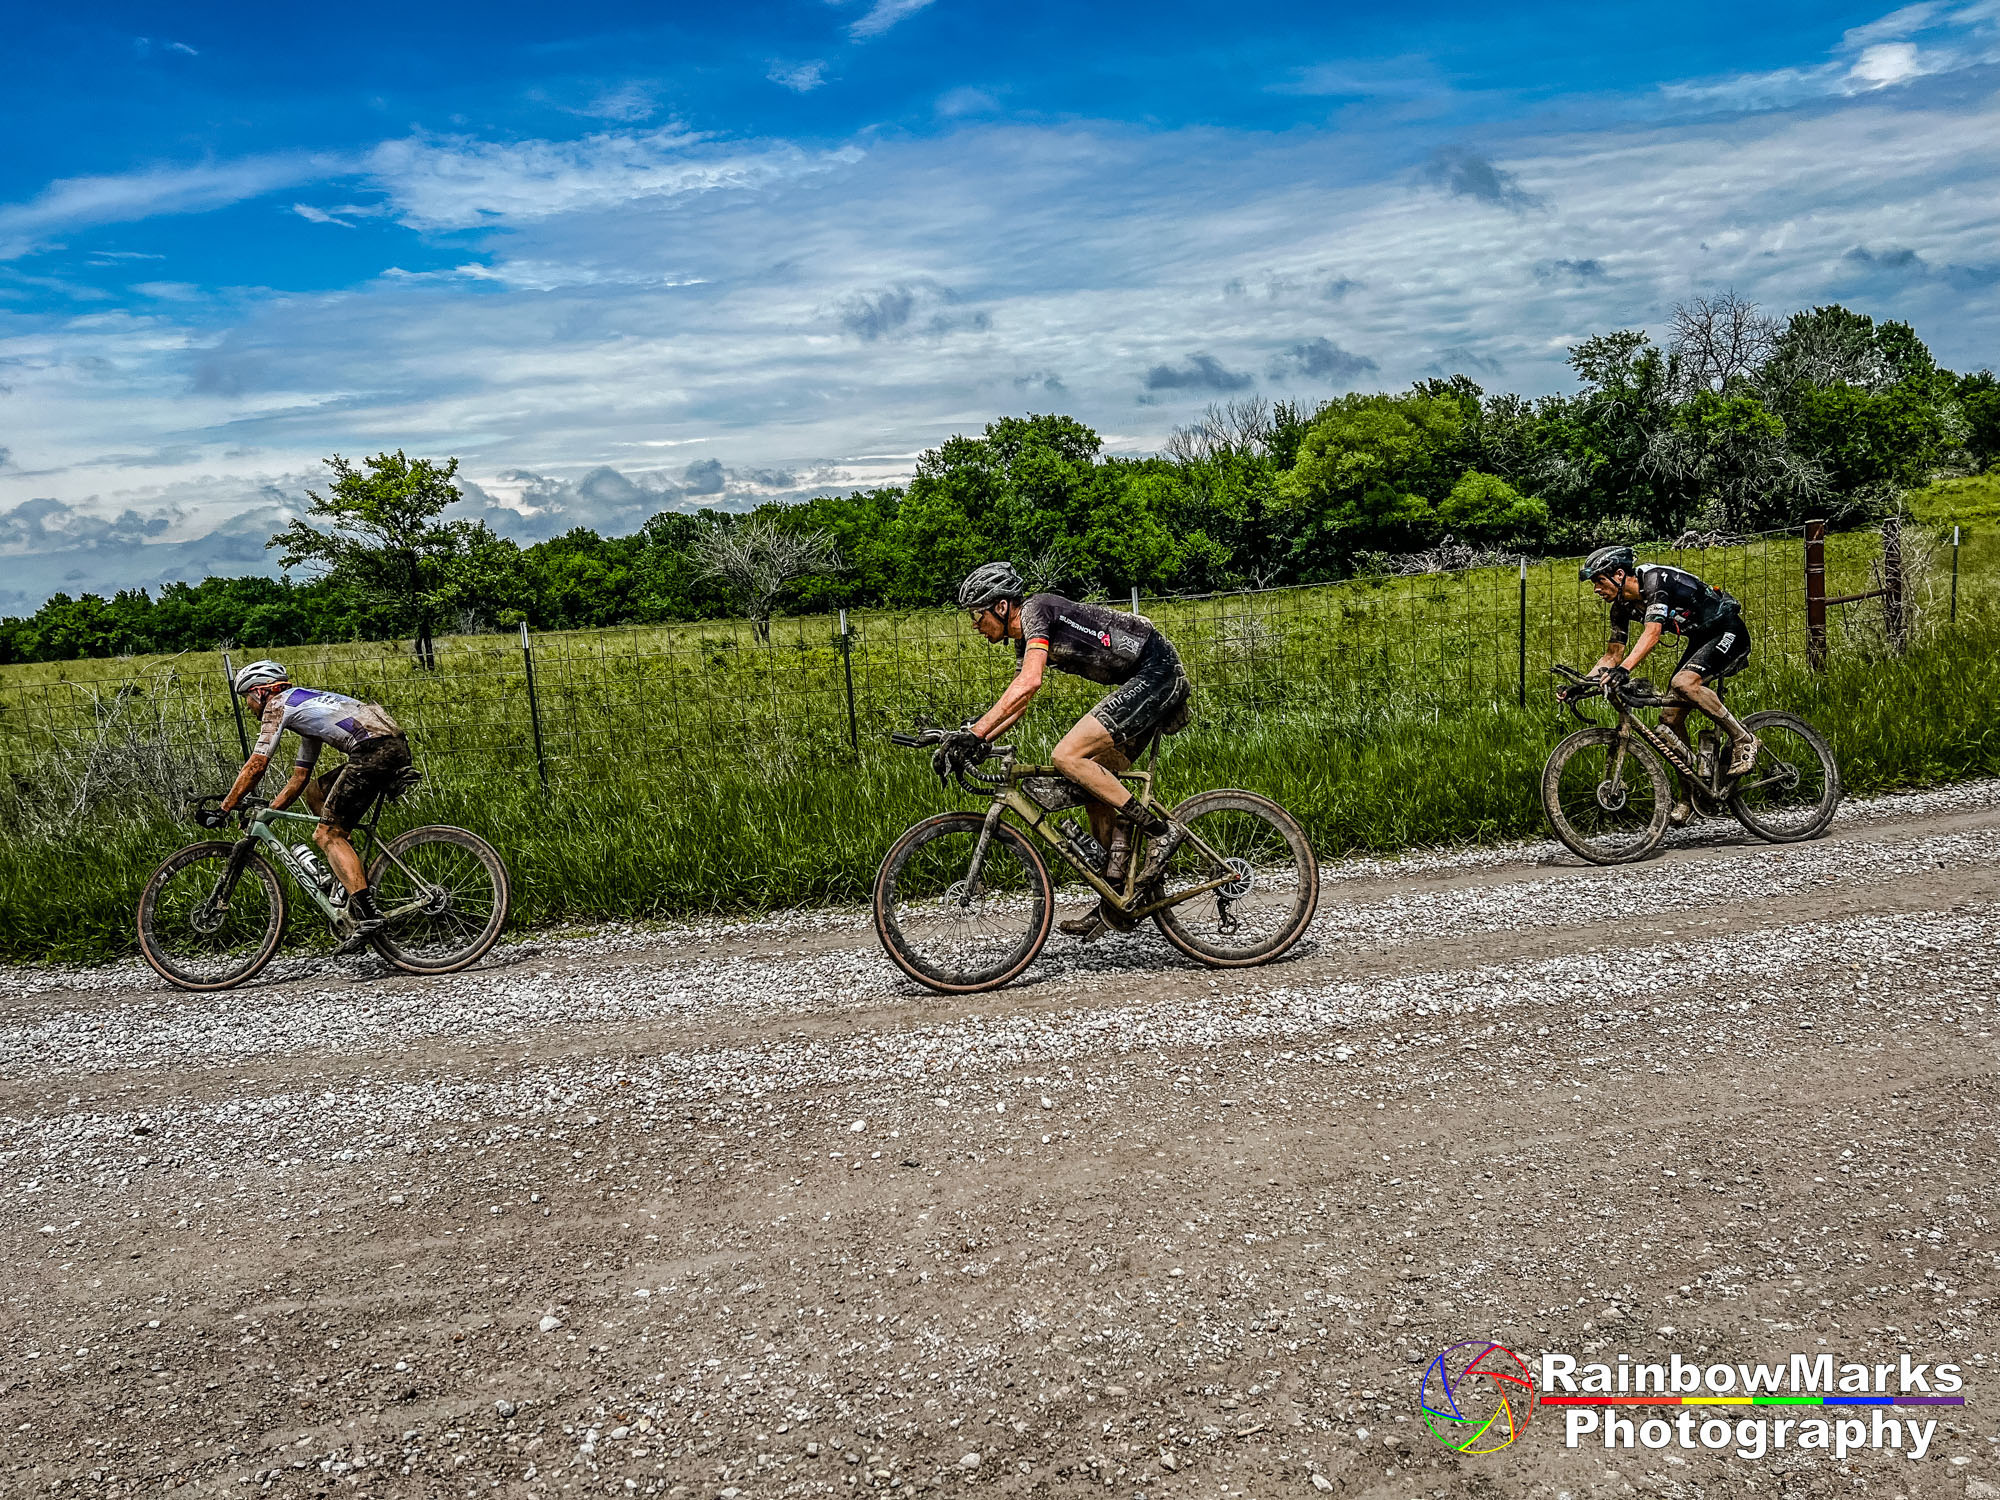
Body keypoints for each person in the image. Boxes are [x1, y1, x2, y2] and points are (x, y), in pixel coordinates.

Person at [942, 563, 1191, 940]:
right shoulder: (1026, 639)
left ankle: (1159, 831)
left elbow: (1030, 681)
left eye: (979, 614)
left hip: (1157, 672)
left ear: (1003, 606)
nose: (976, 625)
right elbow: (1020, 702)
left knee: (1067, 757)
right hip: (1144, 677)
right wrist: (979, 738)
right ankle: (1117, 897)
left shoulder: (1036, 611)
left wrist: (976, 734)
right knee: (1092, 784)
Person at [208, 660, 413, 938]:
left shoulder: (277, 705)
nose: (249, 708)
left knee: (326, 834)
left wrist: (224, 807)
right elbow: (299, 779)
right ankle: (345, 876)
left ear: (259, 692)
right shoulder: (306, 710)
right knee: (316, 792)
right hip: (387, 746)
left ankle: (368, 917)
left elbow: (256, 765)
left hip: (372, 751)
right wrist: (269, 812)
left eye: (247, 699)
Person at [1580, 545, 1760, 827]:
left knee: (1683, 683)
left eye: (1599, 581)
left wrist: (1624, 671)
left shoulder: (1655, 582)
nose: (1596, 590)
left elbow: (1651, 635)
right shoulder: (1621, 607)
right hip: (1701, 638)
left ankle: (1744, 739)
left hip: (1727, 629)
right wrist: (1583, 684)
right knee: (1668, 719)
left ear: (1618, 574)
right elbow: (1612, 656)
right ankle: (1690, 795)